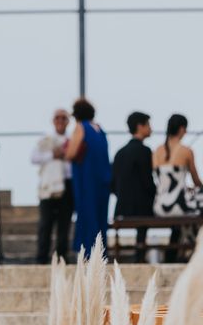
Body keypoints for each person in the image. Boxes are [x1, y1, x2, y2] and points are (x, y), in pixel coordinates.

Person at [153, 113, 203, 261]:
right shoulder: (186, 151)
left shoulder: (156, 151)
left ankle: (176, 252)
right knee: (197, 207)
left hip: (160, 206)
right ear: (181, 129)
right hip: (178, 204)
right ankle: (191, 251)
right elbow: (196, 181)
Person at [65, 98, 112, 256]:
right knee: (100, 216)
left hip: (86, 179)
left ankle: (87, 251)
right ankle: (100, 251)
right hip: (102, 180)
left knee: (86, 214)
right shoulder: (99, 129)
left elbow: (71, 153)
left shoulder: (80, 128)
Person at [111, 111, 155, 262]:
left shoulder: (120, 153)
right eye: (148, 125)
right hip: (141, 208)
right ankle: (140, 255)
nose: (151, 128)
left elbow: (113, 183)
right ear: (140, 126)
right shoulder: (145, 151)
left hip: (122, 207)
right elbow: (147, 181)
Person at [31, 109, 73, 264]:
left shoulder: (72, 140)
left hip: (67, 185)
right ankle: (42, 258)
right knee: (45, 224)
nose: (60, 121)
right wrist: (52, 155)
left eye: (64, 118)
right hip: (49, 187)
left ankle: (62, 258)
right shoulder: (46, 139)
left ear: (68, 121)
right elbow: (33, 158)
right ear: (53, 120)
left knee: (64, 224)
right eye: (57, 118)